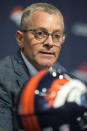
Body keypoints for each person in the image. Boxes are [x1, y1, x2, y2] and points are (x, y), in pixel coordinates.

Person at [0, 2, 66, 131]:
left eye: (57, 36)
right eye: (40, 34)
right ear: (20, 39)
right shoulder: (2, 79)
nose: (50, 43)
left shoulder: (64, 77)